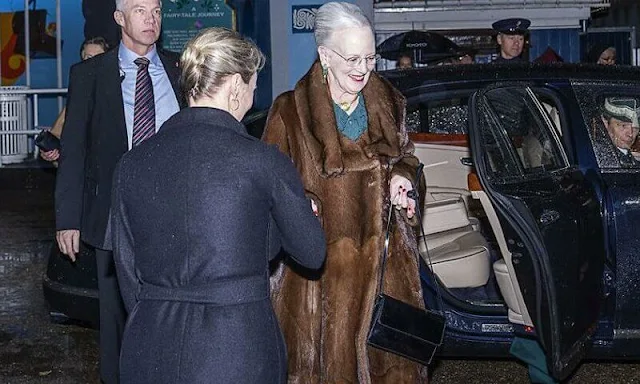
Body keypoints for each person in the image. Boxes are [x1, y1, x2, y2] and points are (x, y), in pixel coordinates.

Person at [111, 27, 327, 383]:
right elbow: (311, 252)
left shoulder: (131, 164)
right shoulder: (263, 161)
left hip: (149, 346)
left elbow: (127, 272)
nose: (254, 96)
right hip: (237, 350)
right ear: (235, 85)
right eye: (253, 84)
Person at [263, 2, 427, 383]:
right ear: (324, 55)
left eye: (370, 57)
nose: (362, 69)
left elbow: (410, 160)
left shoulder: (388, 104)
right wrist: (300, 203)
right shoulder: (290, 112)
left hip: (386, 280)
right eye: (352, 58)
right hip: (317, 288)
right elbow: (269, 189)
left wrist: (405, 180)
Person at [54, 0, 184, 382]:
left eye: (157, 10)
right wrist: (68, 219)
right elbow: (73, 151)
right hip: (113, 218)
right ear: (119, 18)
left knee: (172, 315)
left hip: (176, 216)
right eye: (141, 10)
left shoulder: (183, 70)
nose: (151, 18)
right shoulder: (90, 75)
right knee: (115, 323)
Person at [40, 37, 110, 163]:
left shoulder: (119, 90)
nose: (93, 62)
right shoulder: (79, 94)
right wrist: (49, 150)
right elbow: (56, 132)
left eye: (98, 57)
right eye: (88, 57)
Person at [601, 97, 640, 166]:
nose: (630, 134)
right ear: (605, 123)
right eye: (623, 125)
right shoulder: (599, 156)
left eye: (635, 128)